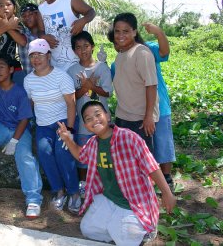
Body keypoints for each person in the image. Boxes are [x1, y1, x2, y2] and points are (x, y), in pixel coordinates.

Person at [57, 100, 176, 245]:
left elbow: (151, 166)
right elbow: (81, 155)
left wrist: (167, 192)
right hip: (110, 198)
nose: (94, 120)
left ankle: (145, 229)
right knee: (88, 229)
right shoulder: (93, 143)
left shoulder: (128, 137)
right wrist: (68, 139)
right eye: (88, 119)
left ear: (107, 116)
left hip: (134, 202)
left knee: (125, 238)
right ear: (87, 126)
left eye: (97, 114)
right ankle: (121, 225)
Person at [0, 53, 43, 218]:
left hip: (20, 127)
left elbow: (25, 118)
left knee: (24, 154)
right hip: (0, 125)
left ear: (11, 69)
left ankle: (33, 198)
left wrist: (14, 140)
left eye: (1, 67)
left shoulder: (19, 92)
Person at [110, 22, 176, 191]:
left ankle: (166, 179)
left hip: (157, 106)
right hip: (135, 112)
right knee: (147, 148)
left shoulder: (146, 49)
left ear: (134, 33)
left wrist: (159, 32)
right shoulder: (117, 62)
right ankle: (149, 181)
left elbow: (165, 52)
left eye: (125, 32)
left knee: (162, 143)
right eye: (116, 39)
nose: (120, 40)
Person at [23, 38, 81, 213]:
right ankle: (59, 191)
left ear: (48, 56)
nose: (36, 59)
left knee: (63, 153)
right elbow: (31, 104)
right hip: (42, 125)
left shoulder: (61, 76)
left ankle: (74, 192)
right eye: (32, 55)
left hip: (63, 123)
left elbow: (71, 104)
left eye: (40, 54)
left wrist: (69, 131)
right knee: (44, 153)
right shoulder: (28, 80)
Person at [67, 31, 113, 196]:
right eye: (78, 47)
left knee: (105, 152)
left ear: (92, 47)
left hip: (102, 120)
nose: (83, 50)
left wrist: (91, 86)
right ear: (74, 51)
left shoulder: (102, 68)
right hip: (82, 121)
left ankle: (105, 185)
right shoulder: (72, 71)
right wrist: (86, 87)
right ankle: (83, 185)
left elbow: (108, 93)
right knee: (83, 154)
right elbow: (72, 96)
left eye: (86, 46)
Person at [111, 12, 159, 151]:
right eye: (117, 31)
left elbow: (151, 85)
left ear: (134, 32)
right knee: (126, 161)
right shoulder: (120, 54)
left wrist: (148, 117)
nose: (120, 35)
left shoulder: (141, 53)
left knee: (144, 163)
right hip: (122, 116)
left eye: (125, 31)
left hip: (140, 120)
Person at [36, 0, 96, 71]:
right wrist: (44, 37)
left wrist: (83, 21)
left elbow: (91, 12)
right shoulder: (41, 8)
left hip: (78, 62)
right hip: (56, 65)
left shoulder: (70, 0)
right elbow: (40, 30)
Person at [19, 3, 40, 75]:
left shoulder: (48, 32)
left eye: (30, 14)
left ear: (38, 15)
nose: (27, 18)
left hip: (47, 81)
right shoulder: (21, 33)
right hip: (28, 80)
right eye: (24, 16)